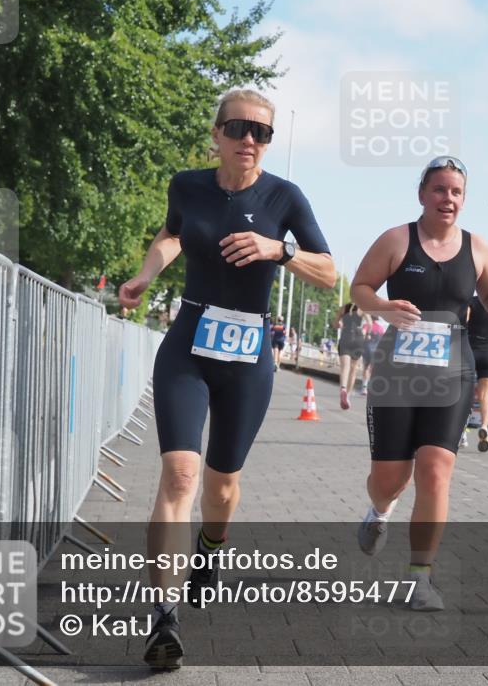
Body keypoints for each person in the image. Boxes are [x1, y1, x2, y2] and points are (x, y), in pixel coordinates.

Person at [119, 89, 335, 668]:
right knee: (179, 474)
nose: (249, 140)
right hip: (188, 343)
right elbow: (171, 234)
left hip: (248, 355)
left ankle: (211, 545)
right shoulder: (187, 185)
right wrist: (145, 275)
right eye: (239, 128)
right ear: (216, 134)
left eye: (262, 132)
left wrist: (278, 249)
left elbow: (328, 272)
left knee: (220, 487)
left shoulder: (285, 197)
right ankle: (164, 617)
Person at [349, 156, 488, 611]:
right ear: (422, 194)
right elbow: (360, 288)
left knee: (436, 470)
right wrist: (384, 308)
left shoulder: (478, 249)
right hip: (397, 373)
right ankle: (380, 511)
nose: (448, 199)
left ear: (464, 199)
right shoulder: (396, 239)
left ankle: (420, 578)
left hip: (452, 374)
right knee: (390, 480)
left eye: (456, 192)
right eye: (439, 189)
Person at [465, 294, 488, 452]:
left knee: (463, 393)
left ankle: (461, 432)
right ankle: (485, 427)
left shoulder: (471, 302)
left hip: (470, 349)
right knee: (484, 397)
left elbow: (463, 322)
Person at [334, 302, 370, 409]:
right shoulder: (362, 309)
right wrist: (366, 333)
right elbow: (370, 324)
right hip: (358, 338)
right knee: (353, 369)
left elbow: (335, 324)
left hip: (345, 337)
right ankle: (348, 395)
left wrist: (339, 324)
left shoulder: (343, 308)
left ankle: (343, 388)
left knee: (345, 367)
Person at [361, 317, 384, 395]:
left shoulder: (366, 325)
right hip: (376, 351)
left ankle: (364, 387)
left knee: (365, 368)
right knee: (373, 369)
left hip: (366, 350)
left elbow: (362, 335)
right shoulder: (381, 328)